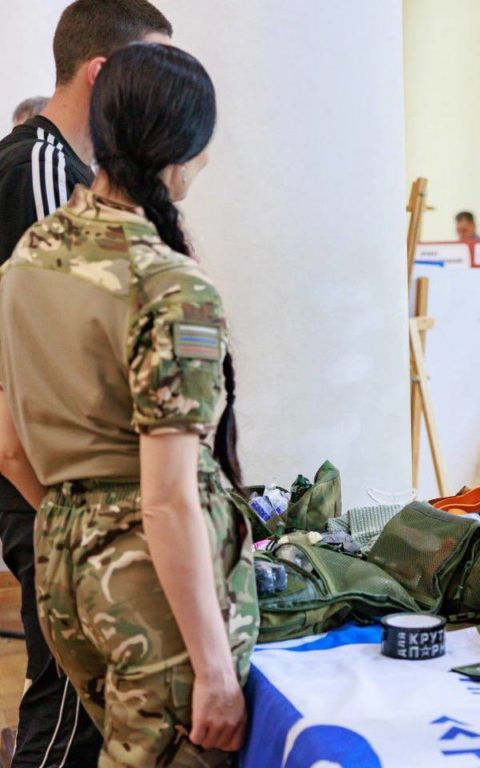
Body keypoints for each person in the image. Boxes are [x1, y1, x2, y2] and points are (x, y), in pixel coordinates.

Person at [0, 43, 258, 766]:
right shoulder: (169, 286)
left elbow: (11, 449)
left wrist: (83, 528)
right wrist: (214, 669)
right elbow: (168, 498)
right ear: (184, 150)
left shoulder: (29, 258)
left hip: (63, 567)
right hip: (151, 589)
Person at [0, 3, 173, 763]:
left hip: (57, 489)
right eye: (150, 74)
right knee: (69, 707)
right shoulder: (42, 171)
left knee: (71, 699)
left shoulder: (59, 168)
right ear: (103, 75)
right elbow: (50, 366)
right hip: (48, 489)